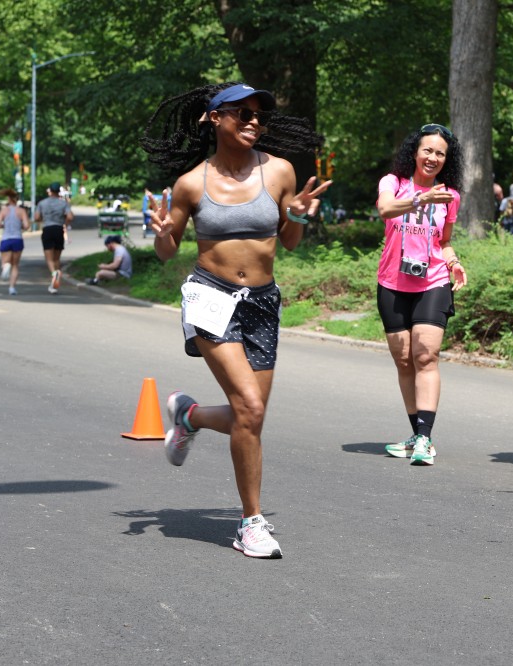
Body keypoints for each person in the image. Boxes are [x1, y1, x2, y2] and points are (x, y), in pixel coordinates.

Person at [140, 82, 329, 559]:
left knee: (251, 416)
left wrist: (298, 217)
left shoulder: (279, 171)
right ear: (214, 117)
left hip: (262, 302)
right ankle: (251, 523)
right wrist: (162, 232)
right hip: (211, 298)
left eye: (260, 115)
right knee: (250, 407)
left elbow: (289, 242)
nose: (253, 121)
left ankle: (189, 416)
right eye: (242, 113)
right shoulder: (191, 183)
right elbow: (167, 252)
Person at [376, 124, 468, 466]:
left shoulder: (450, 195)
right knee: (404, 360)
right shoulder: (393, 183)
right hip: (392, 283)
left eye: (440, 153)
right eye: (427, 150)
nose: (433, 158)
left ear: (447, 159)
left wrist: (454, 262)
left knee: (426, 356)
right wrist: (421, 198)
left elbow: (444, 241)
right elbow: (386, 209)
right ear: (414, 152)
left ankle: (425, 439)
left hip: (433, 282)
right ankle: (416, 435)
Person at [35, 182, 72, 294]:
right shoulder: (63, 203)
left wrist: (43, 219)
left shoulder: (42, 203)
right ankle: (54, 282)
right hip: (59, 229)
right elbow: (70, 216)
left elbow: (36, 217)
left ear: (50, 191)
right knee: (56, 258)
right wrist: (65, 223)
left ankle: (54, 273)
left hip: (47, 229)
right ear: (59, 192)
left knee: (49, 258)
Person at [0, 188, 30, 295]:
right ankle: (12, 288)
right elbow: (27, 226)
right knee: (15, 265)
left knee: (5, 262)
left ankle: (6, 266)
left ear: (8, 198)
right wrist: (20, 226)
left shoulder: (4, 210)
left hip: (6, 238)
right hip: (17, 239)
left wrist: (4, 225)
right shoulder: (21, 211)